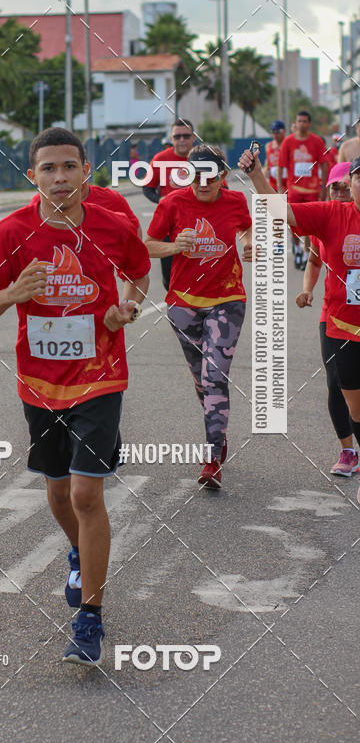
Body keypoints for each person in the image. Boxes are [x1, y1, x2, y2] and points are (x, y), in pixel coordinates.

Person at [0, 127, 150, 667]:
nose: (60, 177)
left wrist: (127, 309)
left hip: (101, 376)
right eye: (48, 168)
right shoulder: (12, 231)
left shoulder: (112, 226)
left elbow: (139, 275)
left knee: (86, 496)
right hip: (40, 383)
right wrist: (13, 294)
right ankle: (77, 551)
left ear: (85, 170)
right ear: (34, 175)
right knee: (56, 494)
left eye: (69, 166)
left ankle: (89, 619)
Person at [145, 144, 253, 489]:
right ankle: (217, 431)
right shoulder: (172, 203)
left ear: (223, 177)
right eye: (194, 175)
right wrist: (175, 246)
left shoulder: (235, 201)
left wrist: (250, 242)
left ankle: (211, 459)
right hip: (183, 303)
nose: (202, 183)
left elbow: (248, 229)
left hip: (228, 299)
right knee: (201, 381)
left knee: (214, 377)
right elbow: (146, 244)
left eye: (210, 176)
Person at [241, 148, 360, 459]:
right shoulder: (332, 215)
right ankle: (349, 451)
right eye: (359, 178)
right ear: (351, 182)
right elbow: (283, 212)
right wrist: (257, 176)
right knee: (354, 405)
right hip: (345, 327)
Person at [295, 163, 359, 476]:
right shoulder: (329, 218)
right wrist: (307, 290)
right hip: (335, 316)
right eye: (335, 188)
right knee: (336, 384)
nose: (340, 193)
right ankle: (348, 450)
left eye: (344, 187)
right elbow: (314, 260)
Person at [142, 119, 197, 291]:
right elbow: (147, 188)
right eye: (177, 136)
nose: (181, 139)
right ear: (171, 138)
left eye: (186, 136)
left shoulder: (203, 158)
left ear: (193, 137)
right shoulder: (160, 159)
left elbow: (222, 188)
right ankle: (178, 312)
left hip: (199, 226)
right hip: (168, 228)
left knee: (199, 275)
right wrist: (162, 201)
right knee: (170, 280)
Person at [277, 110, 327, 270]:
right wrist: (280, 187)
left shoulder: (317, 141)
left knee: (310, 225)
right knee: (293, 222)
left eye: (305, 121)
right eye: (299, 121)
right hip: (294, 190)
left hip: (312, 190)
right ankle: (297, 247)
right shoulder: (288, 142)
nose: (302, 124)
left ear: (309, 123)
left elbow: (324, 164)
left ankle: (306, 253)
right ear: (296, 123)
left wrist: (324, 187)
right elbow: (280, 166)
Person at [263, 120, 287, 192]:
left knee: (287, 203)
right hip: (273, 183)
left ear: (284, 131)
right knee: (274, 203)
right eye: (273, 131)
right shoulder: (268, 146)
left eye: (278, 131)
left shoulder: (288, 144)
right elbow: (267, 161)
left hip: (287, 183)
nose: (275, 133)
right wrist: (266, 169)